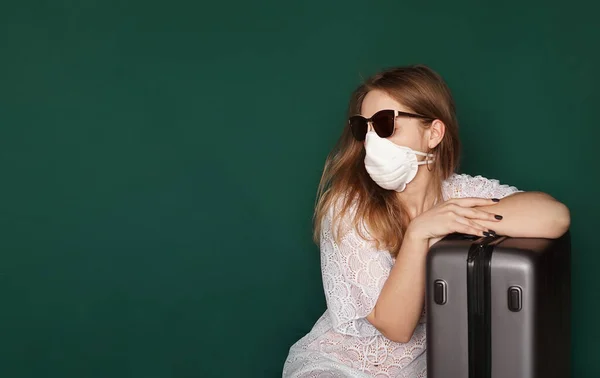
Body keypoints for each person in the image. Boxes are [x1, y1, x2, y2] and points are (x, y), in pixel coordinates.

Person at [282, 65, 571, 378]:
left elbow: (554, 216)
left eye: (385, 124)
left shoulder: (459, 191)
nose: (371, 140)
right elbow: (396, 327)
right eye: (362, 127)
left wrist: (453, 219)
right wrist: (421, 232)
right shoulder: (348, 207)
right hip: (341, 366)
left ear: (433, 133)